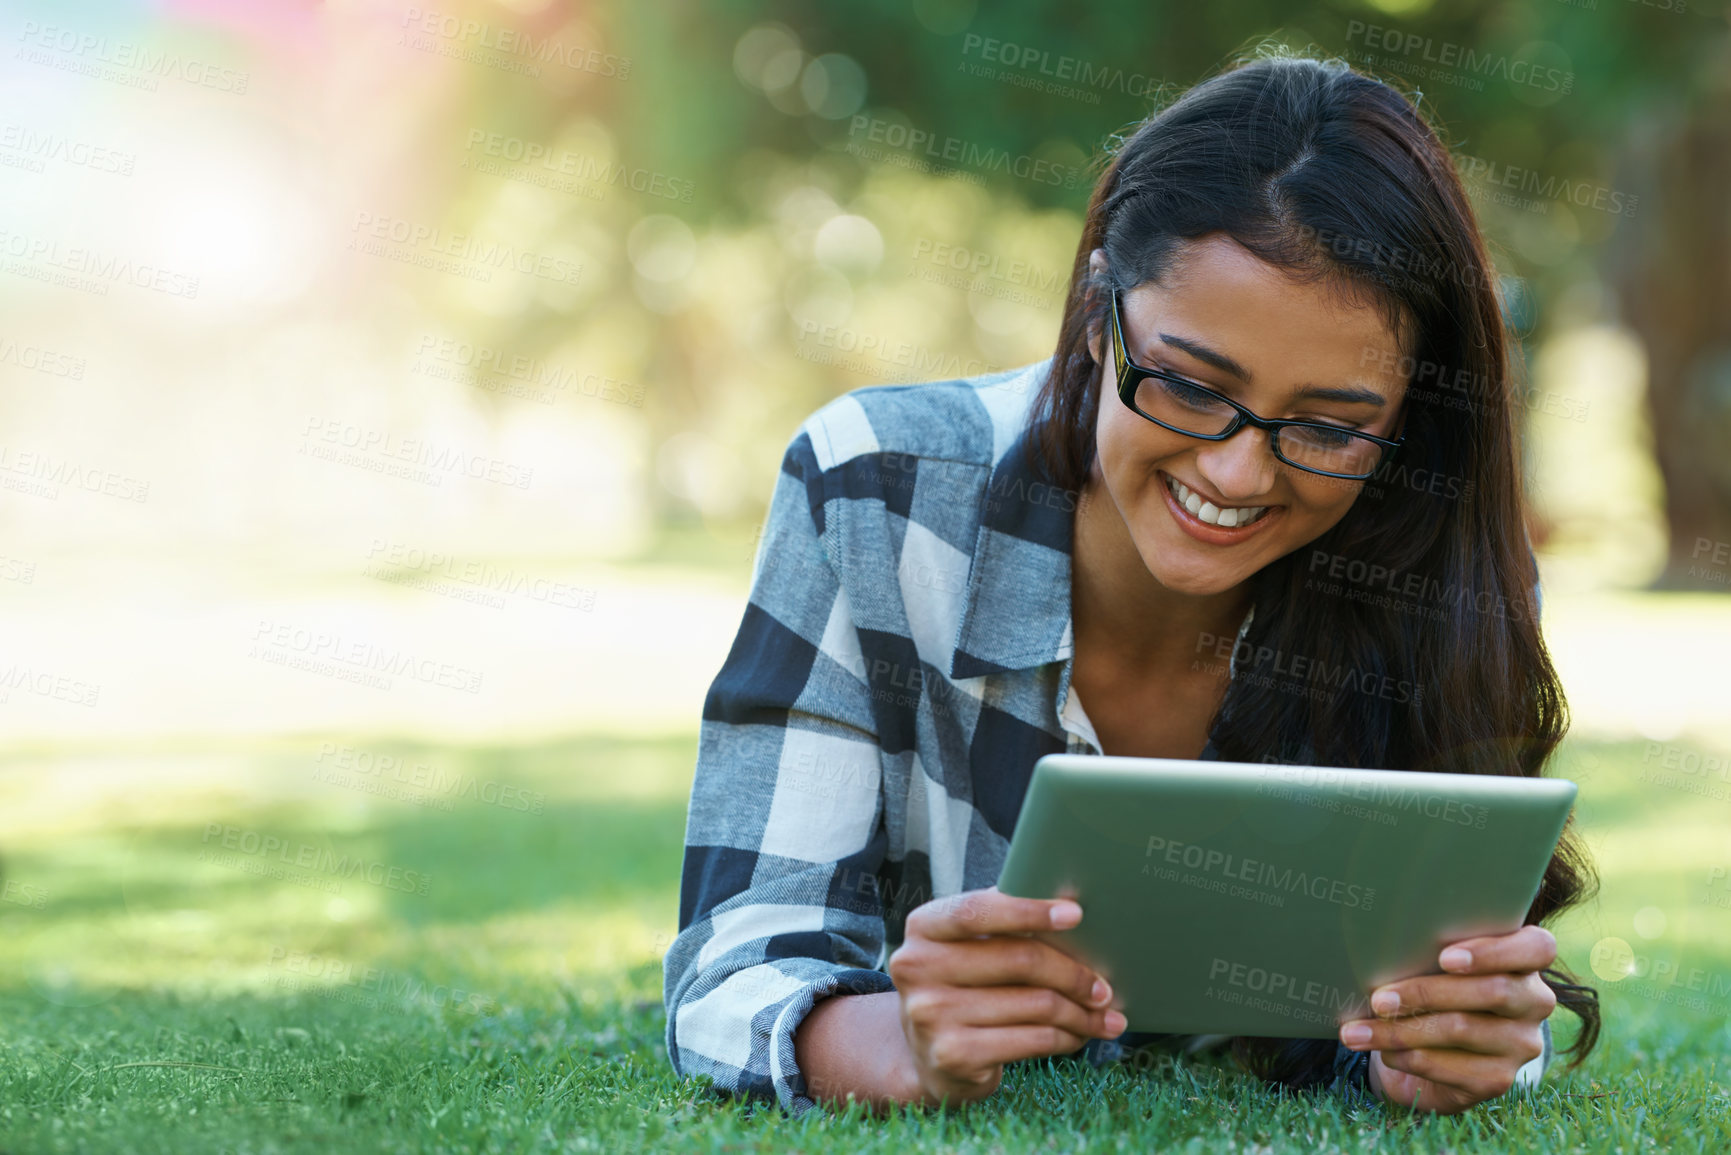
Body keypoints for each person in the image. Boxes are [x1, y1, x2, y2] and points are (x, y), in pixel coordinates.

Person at [662, 50, 1599, 1118]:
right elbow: (732, 974)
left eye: (1332, 426)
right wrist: (896, 1040)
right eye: (1192, 387)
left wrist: (1456, 1042)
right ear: (1100, 310)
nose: (1237, 473)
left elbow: (1473, 979)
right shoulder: (875, 489)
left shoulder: (1441, 556)